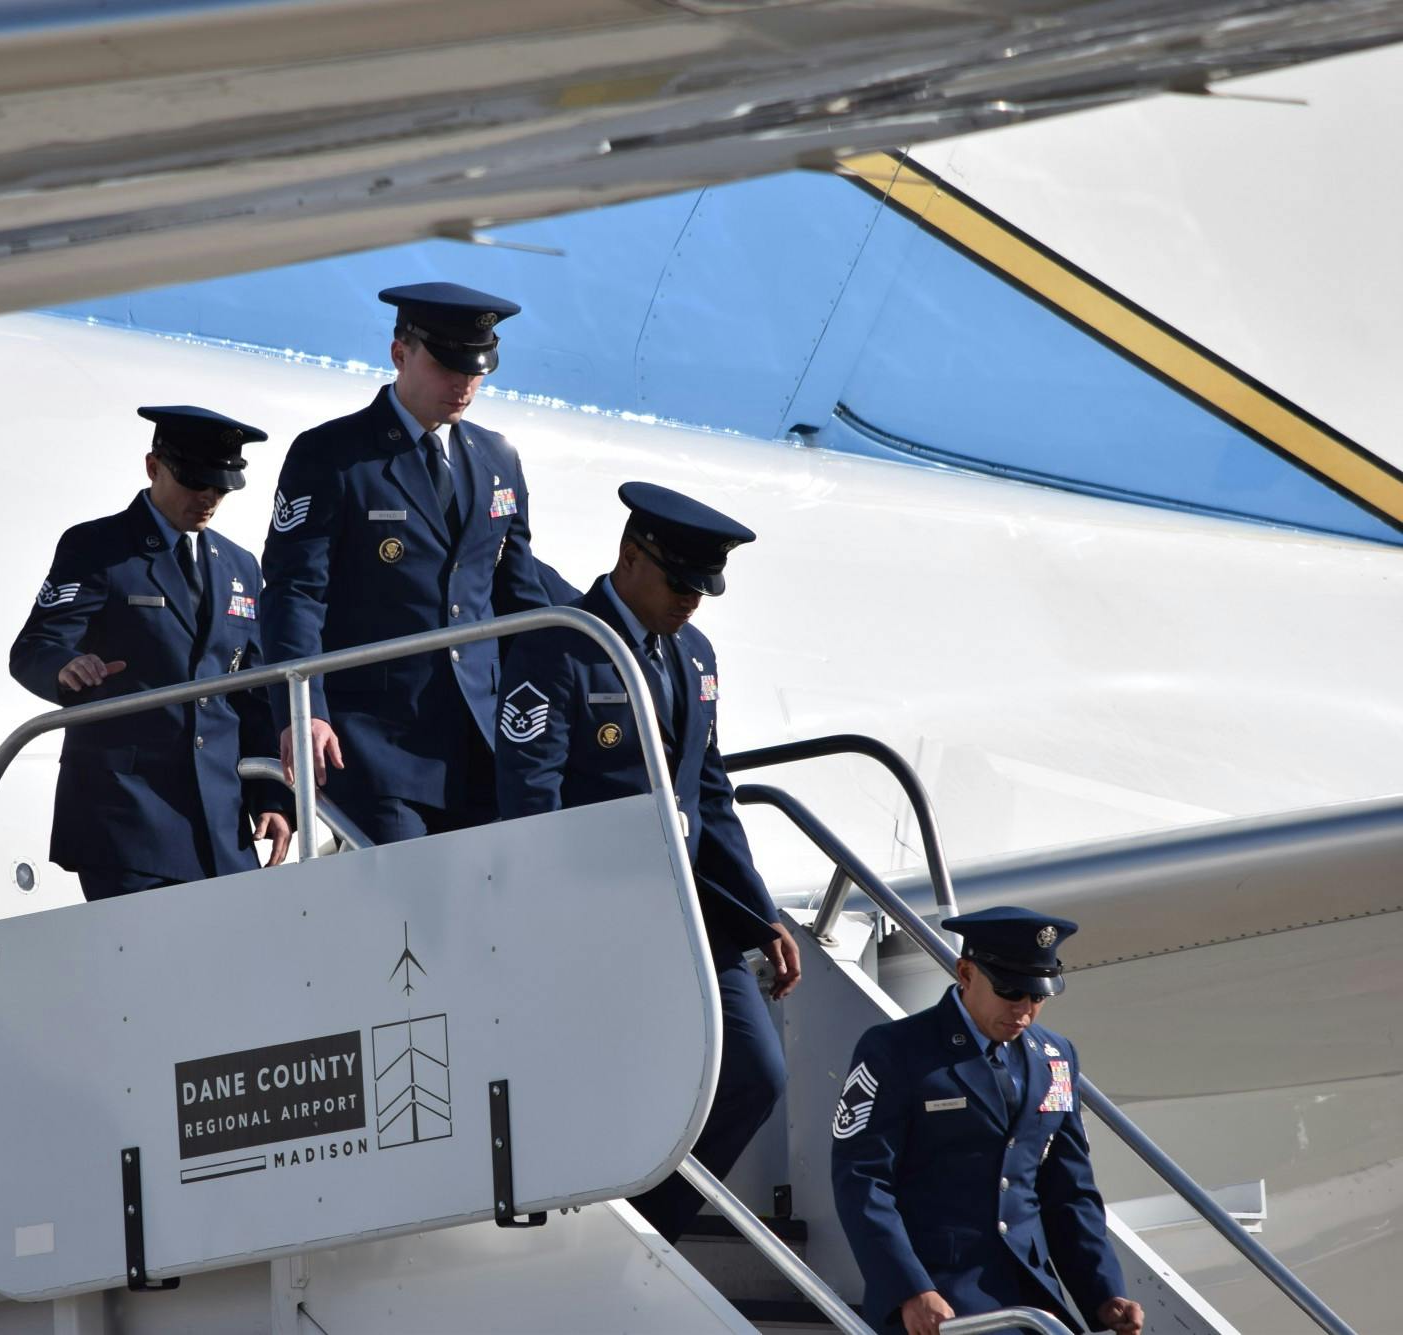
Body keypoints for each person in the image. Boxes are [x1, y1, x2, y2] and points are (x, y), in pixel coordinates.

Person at [495, 481, 800, 1242]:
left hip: (689, 915)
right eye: (678, 583)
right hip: (598, 915)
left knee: (756, 1071)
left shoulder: (694, 654)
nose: (691, 602)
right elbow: (530, 800)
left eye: (703, 588)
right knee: (619, 1076)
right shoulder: (562, 641)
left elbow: (711, 792)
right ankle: (605, 1233)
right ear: (631, 557)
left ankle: (641, 1230)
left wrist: (759, 913)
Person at [260, 281, 555, 844]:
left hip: (483, 744)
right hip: (376, 746)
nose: (464, 384)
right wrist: (304, 712)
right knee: (406, 918)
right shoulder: (333, 456)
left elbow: (521, 600)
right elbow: (295, 594)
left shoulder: (497, 459)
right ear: (400, 354)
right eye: (449, 366)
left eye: (477, 370)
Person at [10, 405, 290, 898]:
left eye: (220, 488)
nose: (207, 498)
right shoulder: (98, 547)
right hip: (127, 817)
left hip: (219, 826)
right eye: (195, 482)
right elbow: (35, 646)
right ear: (154, 467)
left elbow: (251, 694)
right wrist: (66, 668)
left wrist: (269, 794)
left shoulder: (240, 567)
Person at [831, 907, 1146, 1335]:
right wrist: (908, 1289)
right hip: (939, 1298)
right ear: (965, 972)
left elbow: (1069, 1190)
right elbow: (864, 1181)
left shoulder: (1055, 1058)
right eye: (1011, 991)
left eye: (1038, 996)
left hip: (1032, 1296)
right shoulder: (897, 1050)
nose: (1024, 1010)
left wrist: (1104, 1293)